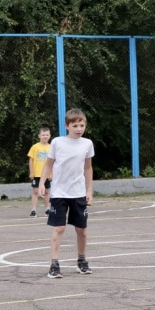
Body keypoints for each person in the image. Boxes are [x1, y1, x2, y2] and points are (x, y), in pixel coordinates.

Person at [39, 109, 94, 279]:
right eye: (75, 125)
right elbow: (48, 164)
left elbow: (87, 167)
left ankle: (81, 261)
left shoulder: (87, 144)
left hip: (78, 193)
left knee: (82, 229)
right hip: (59, 193)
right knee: (59, 228)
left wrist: (89, 190)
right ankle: (54, 265)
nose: (79, 128)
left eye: (82, 125)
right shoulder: (57, 142)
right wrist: (42, 183)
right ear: (67, 126)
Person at [27, 127, 52, 217]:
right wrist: (31, 172)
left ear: (49, 136)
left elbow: (53, 162)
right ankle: (33, 210)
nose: (45, 136)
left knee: (47, 192)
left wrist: (51, 173)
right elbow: (31, 160)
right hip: (37, 174)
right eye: (43, 135)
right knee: (36, 192)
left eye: (47, 135)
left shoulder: (51, 147)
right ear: (39, 136)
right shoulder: (35, 147)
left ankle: (47, 209)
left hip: (47, 175)